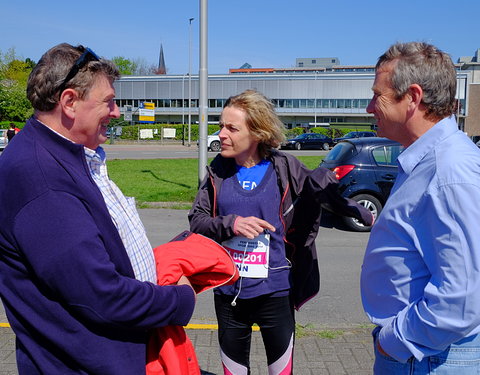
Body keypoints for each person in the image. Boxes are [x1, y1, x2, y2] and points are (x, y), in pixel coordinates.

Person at [0, 43, 196, 374]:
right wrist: (179, 301)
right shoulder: (41, 180)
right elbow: (100, 296)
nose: (117, 111)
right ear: (69, 102)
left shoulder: (63, 154)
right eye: (108, 101)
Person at [189, 89, 373, 374]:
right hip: (229, 291)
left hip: (275, 291)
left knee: (281, 371)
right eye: (221, 125)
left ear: (257, 132)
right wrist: (232, 224)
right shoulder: (218, 171)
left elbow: (318, 189)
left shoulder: (283, 166)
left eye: (231, 127)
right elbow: (197, 220)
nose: (221, 134)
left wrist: (357, 211)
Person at [360, 41, 480, 374]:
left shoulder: (450, 171)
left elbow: (462, 298)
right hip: (422, 352)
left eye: (377, 96)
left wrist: (394, 341)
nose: (370, 108)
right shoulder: (429, 161)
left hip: (426, 356)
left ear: (412, 98)